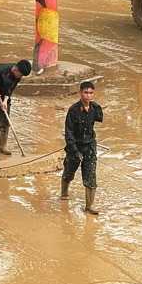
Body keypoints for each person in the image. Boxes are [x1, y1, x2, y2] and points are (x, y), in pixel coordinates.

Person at [61, 81, 104, 215]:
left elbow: (100, 118)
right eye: (86, 93)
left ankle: (89, 205)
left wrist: (94, 105)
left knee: (91, 176)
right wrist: (73, 149)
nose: (88, 96)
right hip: (75, 146)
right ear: (80, 93)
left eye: (91, 93)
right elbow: (69, 132)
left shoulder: (94, 108)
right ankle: (64, 192)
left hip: (89, 146)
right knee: (69, 172)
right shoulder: (73, 110)